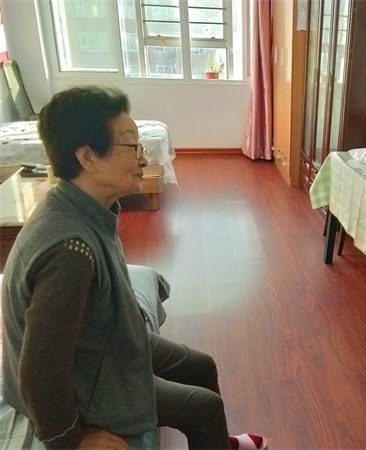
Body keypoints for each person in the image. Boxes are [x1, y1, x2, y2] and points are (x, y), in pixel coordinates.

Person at [1, 86, 267, 450]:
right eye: (131, 145)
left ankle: (215, 441)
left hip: (103, 344)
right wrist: (70, 439)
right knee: (206, 408)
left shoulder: (80, 208)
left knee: (200, 366)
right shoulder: (68, 252)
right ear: (87, 157)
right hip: (86, 381)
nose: (143, 157)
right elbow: (39, 370)